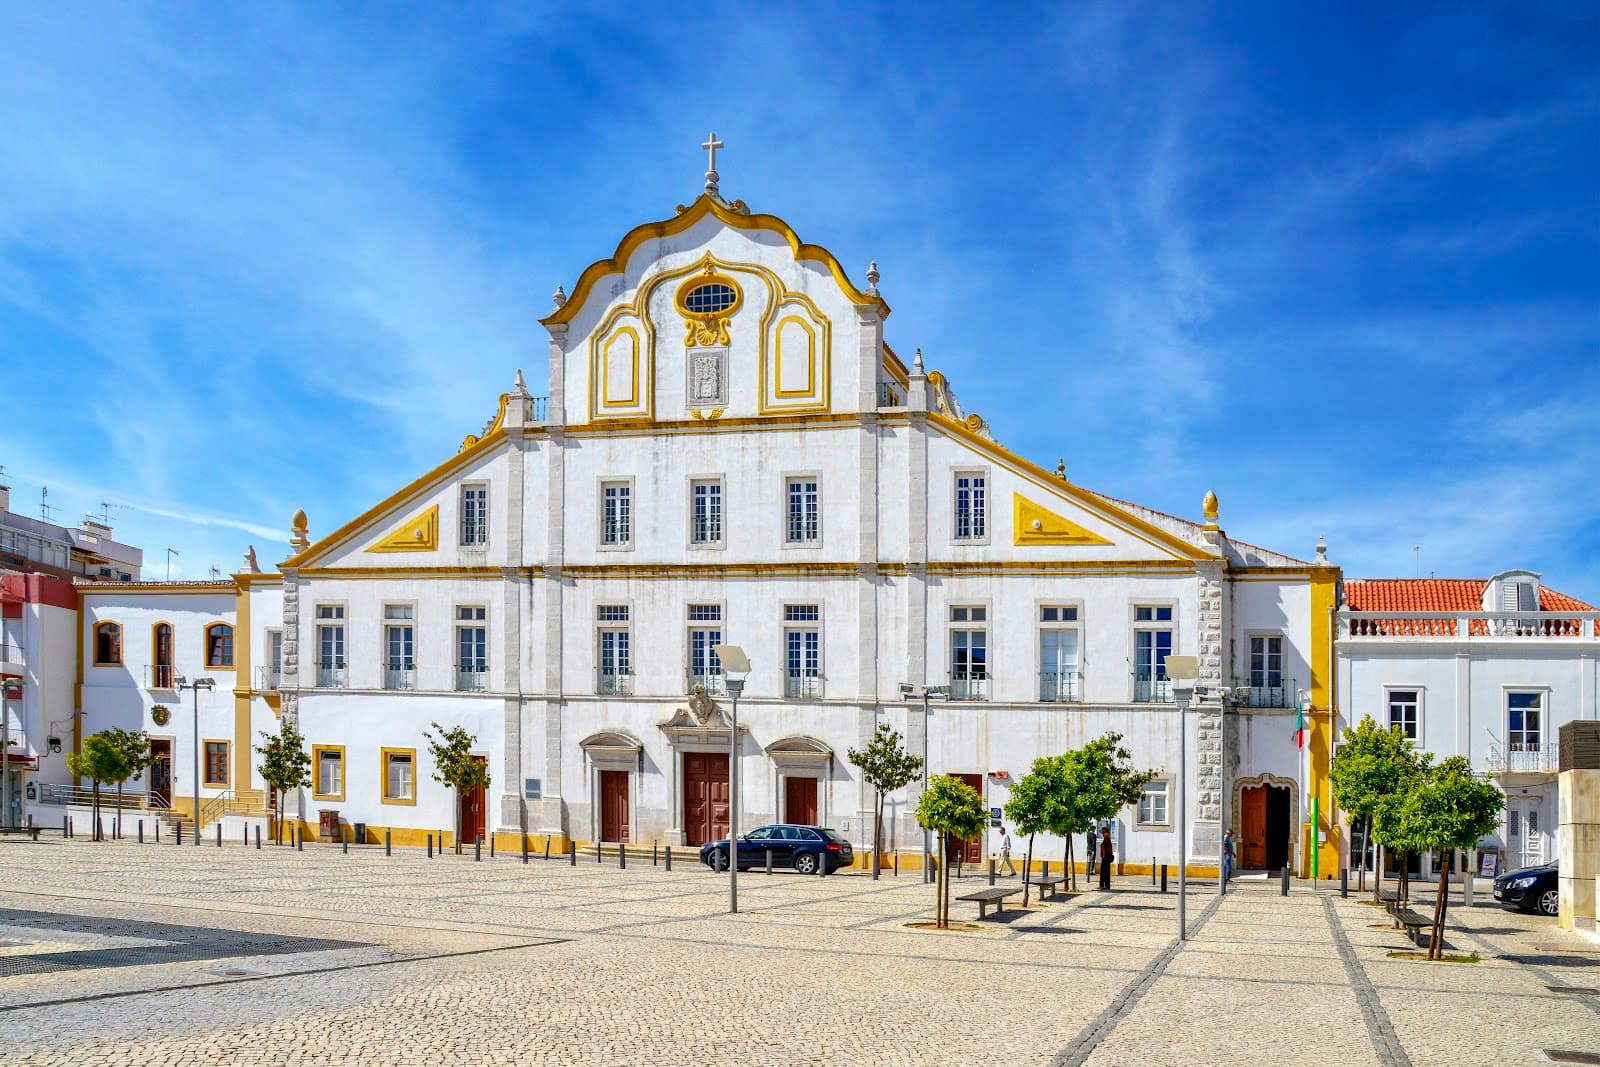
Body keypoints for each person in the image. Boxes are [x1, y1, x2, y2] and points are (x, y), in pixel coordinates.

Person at [1098, 825, 1114, 890]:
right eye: (1102, 833)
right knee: (1105, 872)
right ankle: (1106, 885)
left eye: (1103, 832)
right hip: (1105, 857)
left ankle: (1103, 885)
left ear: (1106, 832)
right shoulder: (1107, 838)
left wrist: (1102, 845)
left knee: (1104, 872)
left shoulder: (1106, 838)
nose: (1102, 834)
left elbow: (1106, 848)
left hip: (1106, 857)